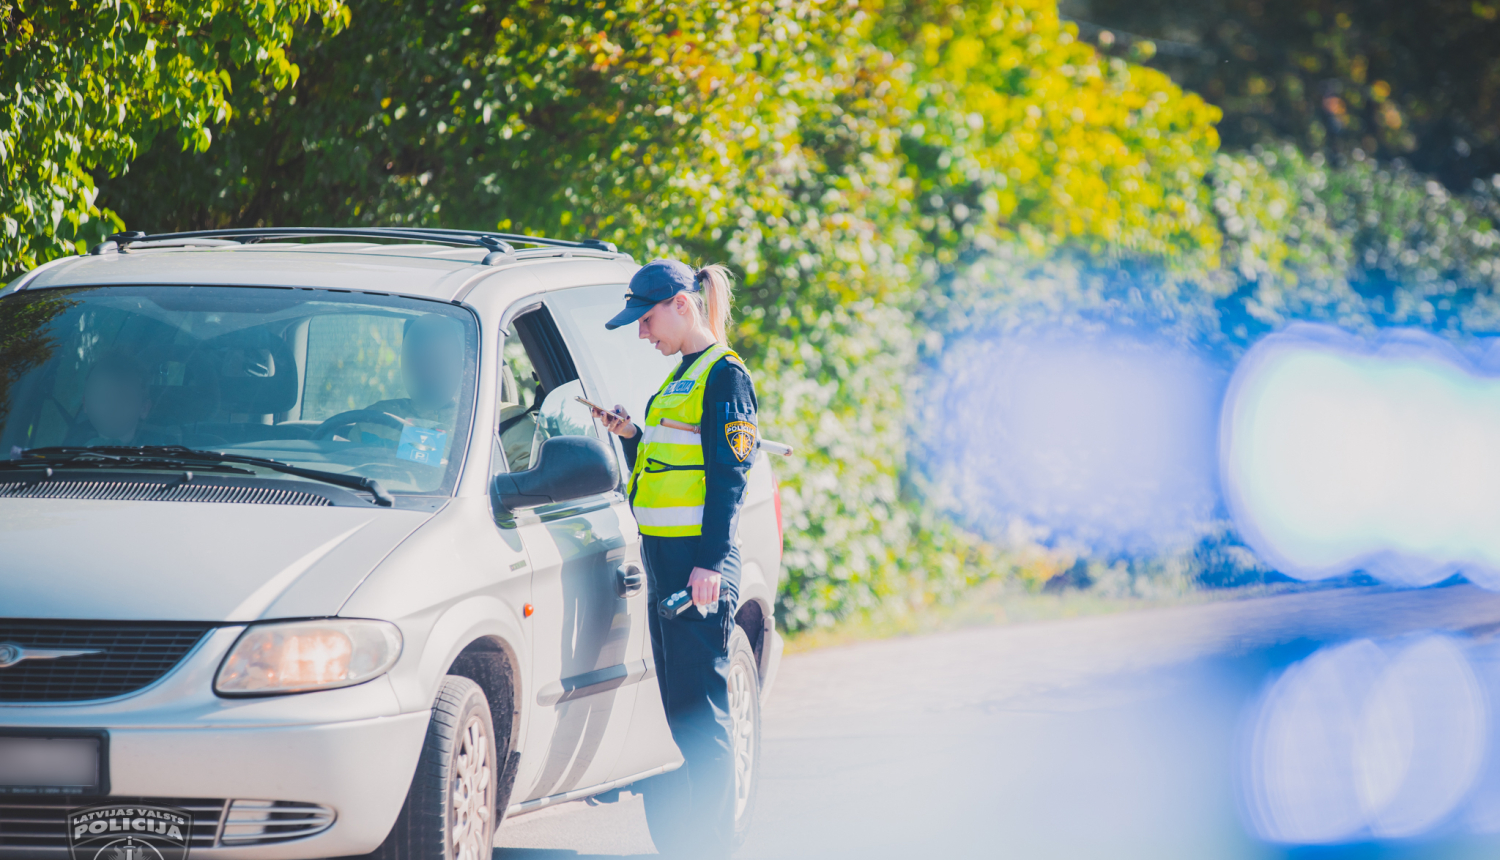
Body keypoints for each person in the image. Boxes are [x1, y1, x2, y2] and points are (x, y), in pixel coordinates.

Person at [593, 259, 759, 858]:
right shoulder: (683, 376)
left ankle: (715, 847)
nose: (641, 333)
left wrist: (711, 564)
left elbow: (729, 476)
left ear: (682, 305)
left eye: (646, 318)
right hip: (670, 563)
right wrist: (630, 435)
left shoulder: (724, 375)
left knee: (702, 716)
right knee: (682, 712)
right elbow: (671, 464)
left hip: (697, 566)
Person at [351, 314, 466, 465]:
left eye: (438, 359)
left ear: (462, 363)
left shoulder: (475, 425)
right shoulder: (373, 420)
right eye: (418, 358)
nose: (427, 371)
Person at [81, 352, 172, 447]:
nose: (112, 407)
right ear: (85, 404)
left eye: (123, 399)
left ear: (144, 408)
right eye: (102, 398)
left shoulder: (161, 453)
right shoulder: (69, 449)